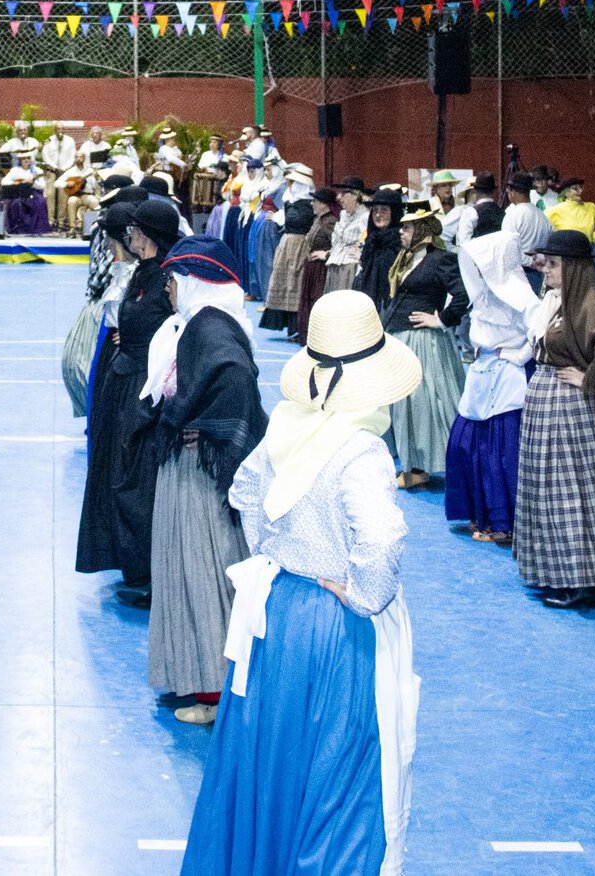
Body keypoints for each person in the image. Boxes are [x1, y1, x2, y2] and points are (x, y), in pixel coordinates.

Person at [181, 289, 417, 876]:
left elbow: (247, 498)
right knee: (339, 773)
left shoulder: (289, 425)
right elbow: (381, 541)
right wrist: (360, 593)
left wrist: (283, 557)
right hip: (335, 627)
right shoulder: (360, 448)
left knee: (269, 760)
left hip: (277, 611)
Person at [142, 237, 267, 725]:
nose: (169, 291)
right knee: (194, 566)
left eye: (173, 281)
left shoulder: (208, 327)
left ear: (193, 281)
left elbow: (236, 379)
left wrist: (207, 429)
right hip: (193, 467)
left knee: (204, 570)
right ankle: (206, 679)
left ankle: (214, 690)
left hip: (201, 473)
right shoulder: (208, 322)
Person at [512, 230, 595, 609]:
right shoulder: (558, 301)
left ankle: (581, 579)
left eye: (553, 264)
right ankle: (560, 571)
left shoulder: (590, 303)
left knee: (573, 493)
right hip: (550, 407)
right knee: (552, 491)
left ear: (575, 268)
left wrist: (591, 379)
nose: (544, 270)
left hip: (572, 413)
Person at [76, 197, 180, 594]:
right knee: (119, 473)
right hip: (124, 381)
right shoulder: (141, 273)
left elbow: (173, 328)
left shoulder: (165, 278)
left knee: (138, 478)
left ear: (148, 236)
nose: (129, 235)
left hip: (144, 388)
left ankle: (148, 571)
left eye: (136, 229)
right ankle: (128, 561)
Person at [448, 202, 535, 544]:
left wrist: (516, 357)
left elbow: (538, 330)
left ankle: (503, 521)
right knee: (465, 444)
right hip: (481, 370)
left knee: (501, 451)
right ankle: (479, 511)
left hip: (508, 378)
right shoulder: (484, 297)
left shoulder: (521, 296)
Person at [382, 197, 468, 491]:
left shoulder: (439, 259)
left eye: (407, 228)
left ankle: (432, 465)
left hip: (424, 343)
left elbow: (463, 296)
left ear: (422, 229)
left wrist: (441, 320)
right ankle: (413, 465)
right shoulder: (405, 259)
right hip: (400, 338)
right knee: (404, 407)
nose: (401, 233)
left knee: (427, 405)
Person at [261, 171, 317, 333]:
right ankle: (286, 325)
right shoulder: (289, 201)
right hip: (286, 244)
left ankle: (296, 326)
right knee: (283, 281)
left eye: (292, 183)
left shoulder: (308, 205)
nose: (290, 186)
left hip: (301, 245)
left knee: (296, 283)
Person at [291, 188, 339, 344]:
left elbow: (338, 244)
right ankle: (306, 335)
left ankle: (316, 337)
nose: (312, 204)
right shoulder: (318, 219)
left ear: (325, 205)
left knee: (316, 300)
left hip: (321, 269)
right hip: (312, 267)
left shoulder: (331, 221)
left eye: (316, 201)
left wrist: (326, 254)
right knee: (308, 300)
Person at [325, 179, 369, 296]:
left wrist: (360, 253)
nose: (338, 197)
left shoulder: (365, 216)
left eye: (343, 193)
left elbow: (367, 241)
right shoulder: (343, 214)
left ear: (355, 196)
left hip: (350, 267)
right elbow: (336, 240)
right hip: (335, 264)